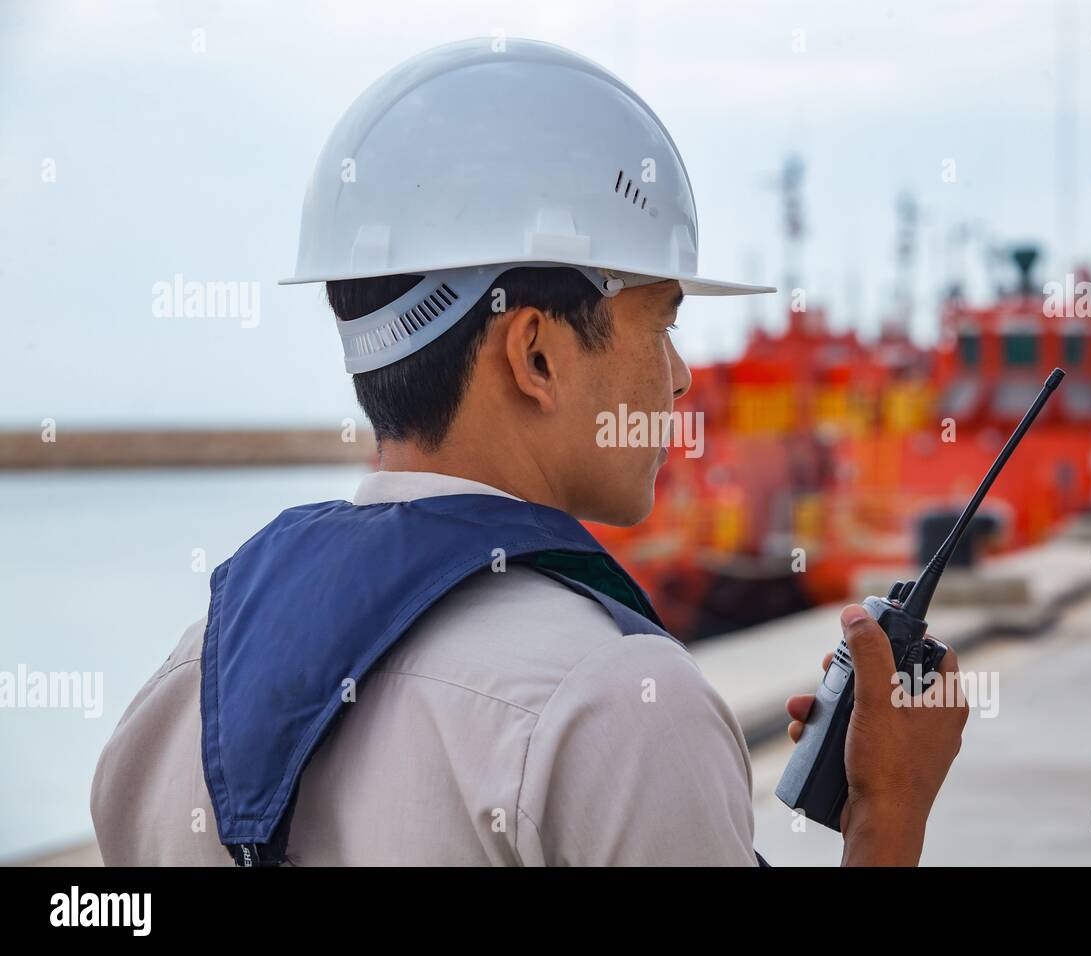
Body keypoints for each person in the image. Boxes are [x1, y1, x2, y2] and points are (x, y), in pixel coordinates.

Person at [90, 37, 966, 867]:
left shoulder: (181, 690)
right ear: (536, 354)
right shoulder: (618, 702)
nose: (681, 375)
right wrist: (886, 818)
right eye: (661, 321)